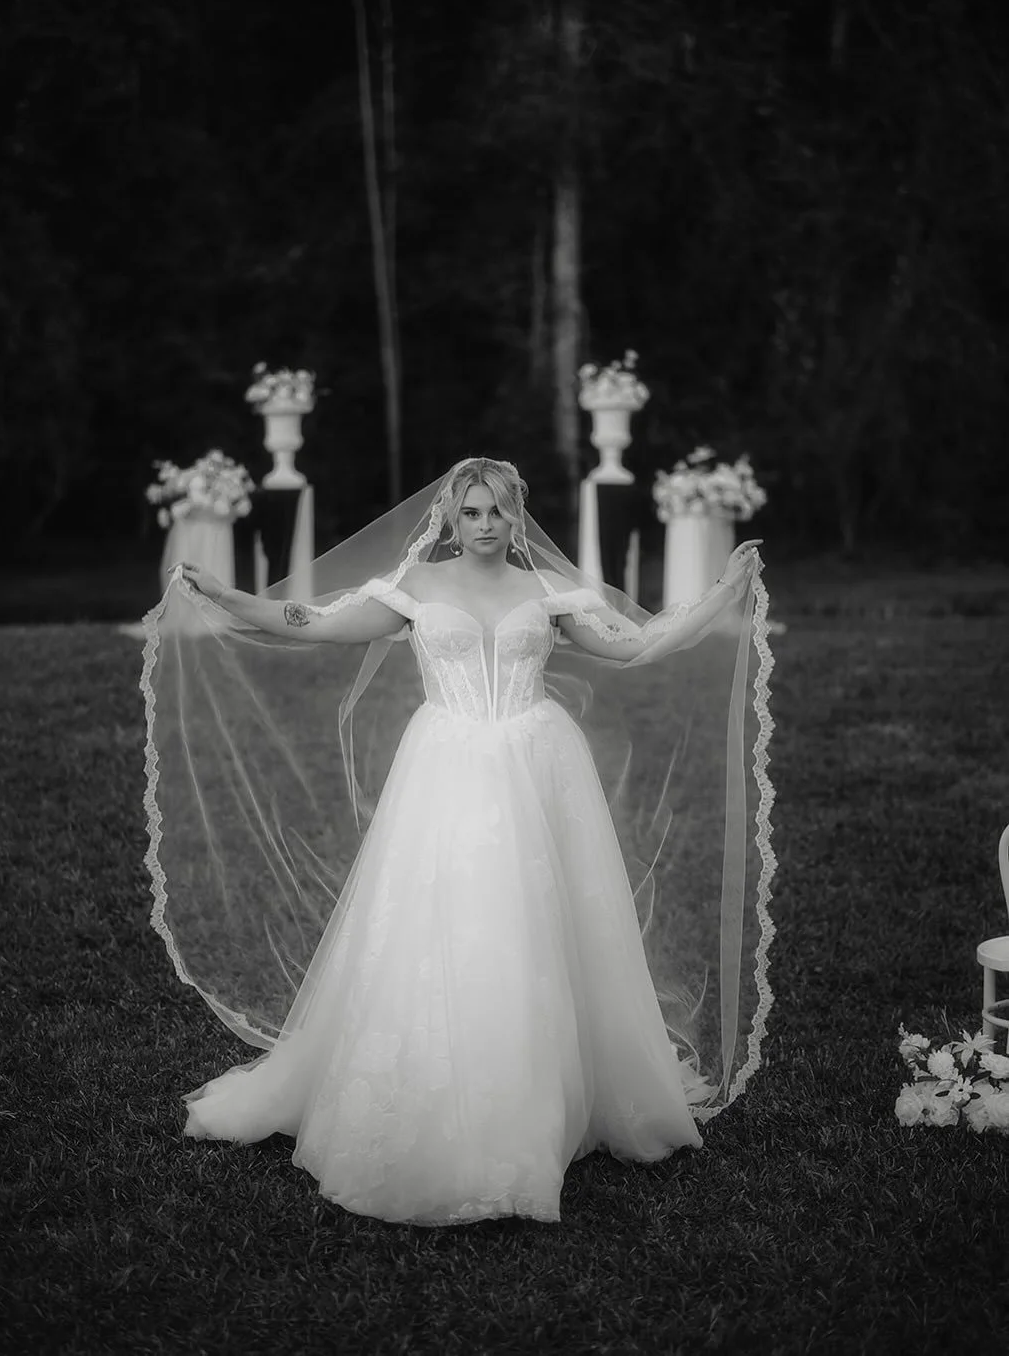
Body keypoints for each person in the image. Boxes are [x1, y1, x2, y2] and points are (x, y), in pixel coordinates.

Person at [142, 456, 775, 1226]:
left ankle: (537, 1094)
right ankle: (441, 1085)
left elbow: (631, 645)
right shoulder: (416, 588)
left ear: (517, 518)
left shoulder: (547, 594)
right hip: (446, 767)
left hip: (537, 762)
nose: (484, 526)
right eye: (471, 512)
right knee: (445, 919)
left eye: (497, 513)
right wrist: (225, 594)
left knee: (537, 921)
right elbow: (312, 624)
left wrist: (718, 596)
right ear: (449, 517)